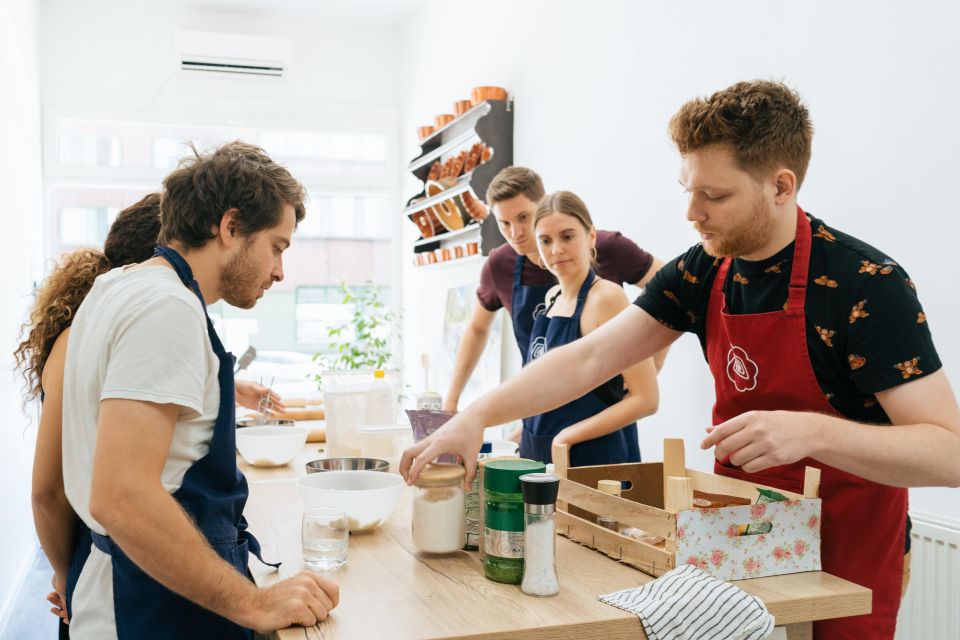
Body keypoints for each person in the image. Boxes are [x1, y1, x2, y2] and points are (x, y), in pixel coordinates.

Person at [402, 81, 960, 639]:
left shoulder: (865, 284)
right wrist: (474, 417)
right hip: (732, 543)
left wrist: (812, 433)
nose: (692, 212)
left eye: (713, 196)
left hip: (848, 548)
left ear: (781, 186)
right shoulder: (702, 272)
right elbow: (587, 358)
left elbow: (949, 454)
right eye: (687, 190)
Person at [59, 142, 338, 639]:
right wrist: (253, 605)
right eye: (277, 246)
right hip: (146, 602)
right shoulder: (167, 308)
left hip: (125, 585)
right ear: (230, 227)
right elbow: (121, 497)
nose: (279, 271)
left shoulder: (119, 286)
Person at [14, 194, 285, 634]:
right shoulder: (136, 316)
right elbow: (48, 492)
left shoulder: (115, 318)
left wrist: (227, 387)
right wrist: (68, 576)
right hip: (120, 586)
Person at [443, 167, 665, 414]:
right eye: (504, 223)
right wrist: (450, 403)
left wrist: (655, 359)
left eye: (523, 218)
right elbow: (477, 329)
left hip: (601, 414)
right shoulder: (500, 266)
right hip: (540, 407)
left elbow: (669, 290)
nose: (515, 233)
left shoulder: (607, 250)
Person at [520, 191, 658, 465]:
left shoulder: (606, 299)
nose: (556, 249)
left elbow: (646, 399)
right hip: (540, 457)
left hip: (592, 461)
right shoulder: (551, 299)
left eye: (567, 236)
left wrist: (566, 437)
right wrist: (521, 433)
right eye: (545, 241)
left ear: (591, 236)